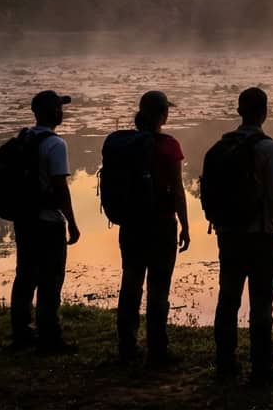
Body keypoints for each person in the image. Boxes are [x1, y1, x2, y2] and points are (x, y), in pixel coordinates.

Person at [209, 87, 273, 383]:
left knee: (228, 299)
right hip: (259, 236)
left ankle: (224, 363)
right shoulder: (268, 148)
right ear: (264, 112)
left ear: (239, 111)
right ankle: (262, 368)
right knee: (261, 303)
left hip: (227, 234)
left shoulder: (222, 145)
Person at [114, 90, 191, 366]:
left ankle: (127, 347)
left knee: (130, 284)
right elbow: (178, 190)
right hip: (161, 224)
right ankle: (157, 350)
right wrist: (185, 225)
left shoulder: (124, 144)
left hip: (131, 224)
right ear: (162, 115)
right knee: (159, 288)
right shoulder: (170, 145)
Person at [10, 90, 80, 354]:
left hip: (25, 219)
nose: (63, 112)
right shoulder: (55, 144)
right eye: (59, 108)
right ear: (53, 113)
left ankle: (21, 334)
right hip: (48, 222)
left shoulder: (25, 137)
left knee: (25, 277)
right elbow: (61, 188)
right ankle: (50, 337)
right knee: (51, 280)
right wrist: (72, 222)